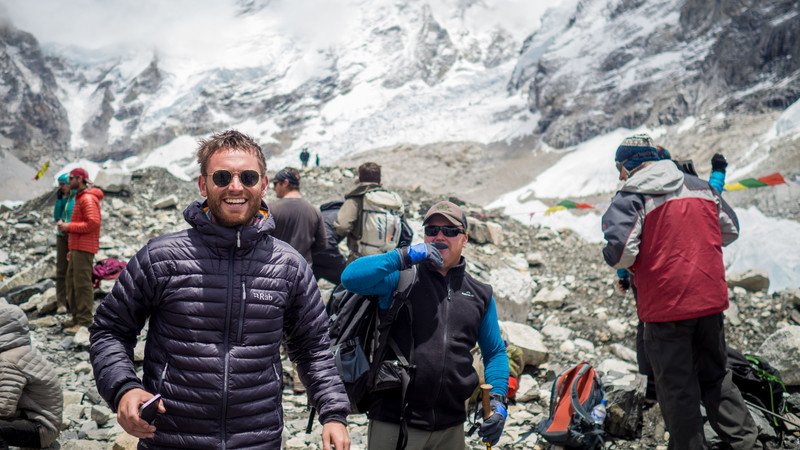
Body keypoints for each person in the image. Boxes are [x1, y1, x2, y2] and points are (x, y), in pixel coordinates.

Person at [88, 130, 350, 449]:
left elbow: (313, 347)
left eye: (248, 177)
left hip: (257, 440)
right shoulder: (161, 258)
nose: (235, 187)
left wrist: (333, 414)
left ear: (264, 185)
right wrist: (124, 388)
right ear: (203, 185)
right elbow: (110, 330)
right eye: (222, 176)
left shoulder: (289, 266)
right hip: (171, 438)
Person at [601, 134, 760, 450]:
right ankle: (746, 442)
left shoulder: (632, 195)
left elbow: (621, 253)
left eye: (620, 166)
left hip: (666, 307)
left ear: (631, 164)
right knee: (716, 376)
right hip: (709, 302)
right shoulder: (700, 187)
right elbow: (730, 229)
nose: (620, 174)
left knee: (677, 387)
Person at [341, 200, 509, 449]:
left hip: (451, 426)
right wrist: (404, 255)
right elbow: (351, 278)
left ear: (465, 239)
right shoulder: (403, 277)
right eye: (432, 231)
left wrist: (497, 400)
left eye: (450, 231)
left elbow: (494, 352)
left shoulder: (480, 294)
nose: (440, 236)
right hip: (395, 421)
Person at [619, 149, 730, 402]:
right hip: (697, 273)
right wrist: (719, 172)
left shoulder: (641, 190)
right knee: (700, 330)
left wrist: (624, 274)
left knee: (650, 327)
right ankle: (701, 385)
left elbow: (627, 239)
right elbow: (716, 201)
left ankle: (652, 386)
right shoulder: (690, 186)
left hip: (651, 277)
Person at [0, 303, 63, 449]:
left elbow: (3, 409)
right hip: (41, 421)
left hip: (41, 428)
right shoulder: (23, 351)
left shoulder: (10, 359)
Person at [57, 167, 103, 334]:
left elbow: (93, 223)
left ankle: (84, 322)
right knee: (71, 282)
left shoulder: (88, 199)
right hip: (77, 247)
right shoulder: (81, 197)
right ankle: (76, 318)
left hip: (84, 248)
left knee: (82, 284)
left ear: (80, 179)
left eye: (71, 178)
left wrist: (68, 226)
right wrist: (71, 248)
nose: (69, 182)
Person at [334, 162, 406, 261]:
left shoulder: (357, 199)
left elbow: (342, 226)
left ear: (359, 178)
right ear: (379, 179)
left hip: (360, 258)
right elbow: (407, 233)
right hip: (388, 259)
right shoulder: (393, 200)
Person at [268, 166, 327, 265]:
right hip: (304, 272)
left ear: (285, 183)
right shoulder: (314, 211)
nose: (274, 188)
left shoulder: (271, 209)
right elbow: (322, 244)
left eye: (275, 183)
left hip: (277, 270)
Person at [53, 172, 75, 314]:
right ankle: (61, 302)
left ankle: (73, 302)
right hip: (62, 236)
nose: (61, 187)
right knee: (61, 270)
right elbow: (56, 216)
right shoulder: (62, 198)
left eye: (63, 185)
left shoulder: (77, 197)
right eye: (59, 185)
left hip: (75, 236)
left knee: (73, 270)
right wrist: (59, 200)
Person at [312, 200, 348, 285]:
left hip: (310, 249)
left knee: (309, 286)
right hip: (326, 246)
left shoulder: (324, 213)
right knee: (347, 278)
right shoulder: (344, 214)